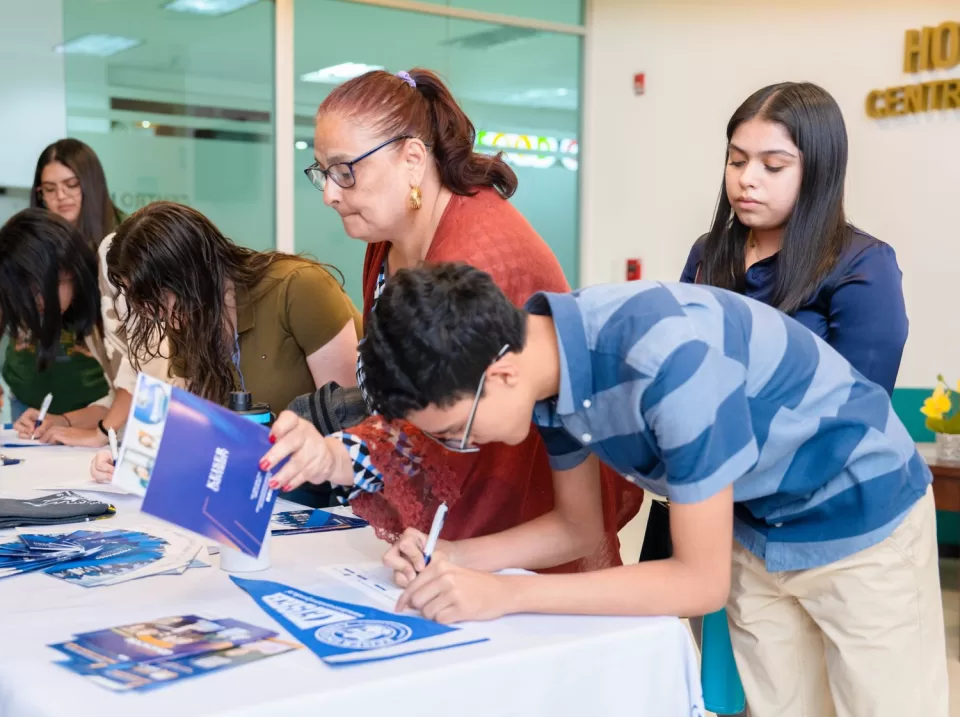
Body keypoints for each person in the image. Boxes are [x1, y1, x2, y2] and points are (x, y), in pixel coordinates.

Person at [287, 263, 947, 717]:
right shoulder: (550, 368)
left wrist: (509, 592)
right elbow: (577, 527)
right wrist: (458, 557)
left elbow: (698, 582)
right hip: (759, 521)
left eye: (457, 430)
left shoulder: (667, 360)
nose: (464, 446)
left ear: (503, 374)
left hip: (862, 512)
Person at [264, 68, 642, 568]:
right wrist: (333, 454)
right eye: (322, 173)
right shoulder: (388, 240)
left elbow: (442, 424)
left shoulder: (481, 258)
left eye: (345, 171)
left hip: (520, 520)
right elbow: (408, 400)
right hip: (458, 515)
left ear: (413, 158)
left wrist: (339, 455)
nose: (330, 193)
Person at [88, 202, 362, 508]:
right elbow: (205, 433)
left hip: (329, 503)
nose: (154, 314)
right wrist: (133, 458)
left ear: (191, 276)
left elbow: (352, 423)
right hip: (254, 500)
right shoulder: (187, 315)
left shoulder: (298, 288)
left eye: (157, 298)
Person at [681, 82, 907, 395]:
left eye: (773, 166)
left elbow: (859, 409)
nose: (746, 179)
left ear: (818, 171)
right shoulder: (708, 251)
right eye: (737, 161)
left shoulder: (864, 264)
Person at [0, 139, 123, 422]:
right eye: (49, 189)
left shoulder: (119, 243)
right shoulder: (22, 236)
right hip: (28, 400)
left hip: (99, 404)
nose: (61, 196)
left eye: (71, 185)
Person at [0, 209, 118, 438]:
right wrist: (63, 421)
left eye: (37, 289)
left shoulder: (114, 293)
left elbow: (143, 393)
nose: (35, 304)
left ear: (66, 268)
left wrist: (98, 434)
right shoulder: (79, 308)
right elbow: (119, 397)